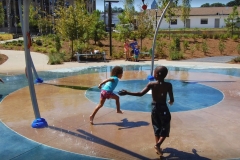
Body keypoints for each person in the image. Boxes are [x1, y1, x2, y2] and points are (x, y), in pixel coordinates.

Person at [119, 66, 174, 156]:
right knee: (165, 127)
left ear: (155, 75)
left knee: (156, 127)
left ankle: (158, 148)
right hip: (163, 108)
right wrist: (170, 101)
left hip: (154, 108)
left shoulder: (151, 84)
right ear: (165, 75)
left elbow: (140, 94)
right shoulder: (168, 85)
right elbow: (171, 99)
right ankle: (158, 145)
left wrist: (127, 92)